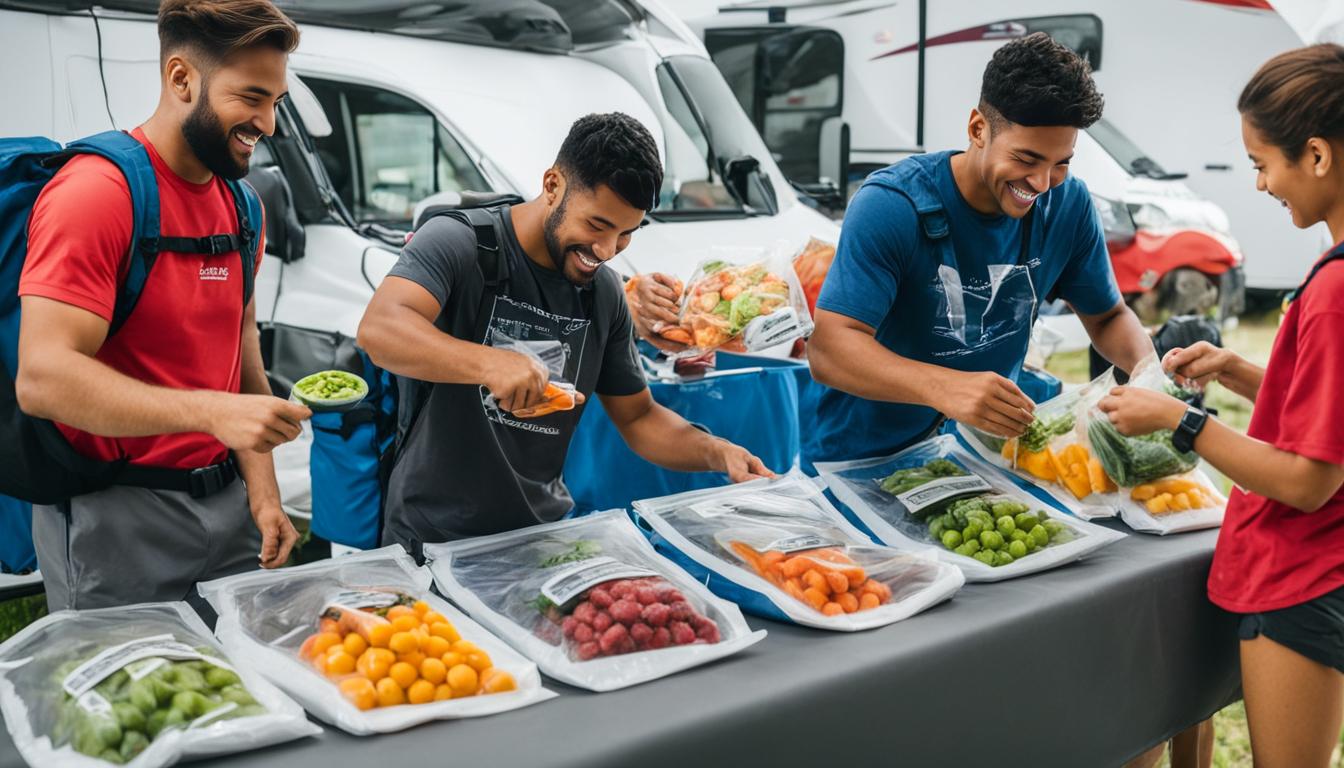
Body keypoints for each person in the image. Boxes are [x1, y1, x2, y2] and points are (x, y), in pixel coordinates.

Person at [358, 112, 772, 550]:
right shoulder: (460, 241)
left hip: (543, 538)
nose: (606, 250)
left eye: (626, 234)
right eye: (597, 225)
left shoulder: (605, 293)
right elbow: (380, 329)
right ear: (553, 185)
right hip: (431, 541)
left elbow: (638, 417)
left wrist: (717, 452)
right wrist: (491, 364)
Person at [15, 0, 310, 610]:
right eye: (252, 97)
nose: (268, 123)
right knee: (133, 675)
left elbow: (239, 350)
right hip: (115, 517)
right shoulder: (95, 194)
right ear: (181, 79)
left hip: (228, 509)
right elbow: (42, 379)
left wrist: (262, 494)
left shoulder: (243, 208)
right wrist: (211, 413)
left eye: (276, 102)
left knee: (239, 668)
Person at [1099, 44, 1344, 768]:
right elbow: (1327, 420)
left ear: (1318, 156)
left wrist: (1180, 421)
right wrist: (1236, 371)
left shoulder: (1334, 290)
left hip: (1301, 578)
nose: (1261, 183)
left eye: (1262, 163)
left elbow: (1308, 479)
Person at [804, 32, 1152, 465]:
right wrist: (944, 387)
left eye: (1061, 163)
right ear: (977, 129)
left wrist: (1150, 377)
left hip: (984, 458)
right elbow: (830, 350)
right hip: (862, 461)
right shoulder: (891, 205)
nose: (1042, 183)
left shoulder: (1069, 204)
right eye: (1026, 159)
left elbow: (1107, 317)